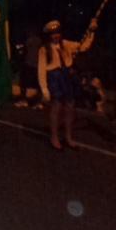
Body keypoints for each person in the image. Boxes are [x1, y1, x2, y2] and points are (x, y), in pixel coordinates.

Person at [38, 19, 97, 151]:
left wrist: (91, 32)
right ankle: (54, 137)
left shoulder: (66, 44)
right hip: (54, 78)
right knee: (56, 107)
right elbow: (41, 70)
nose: (56, 36)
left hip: (67, 77)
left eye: (58, 33)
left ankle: (68, 137)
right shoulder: (43, 50)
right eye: (53, 34)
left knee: (70, 106)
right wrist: (44, 89)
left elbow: (83, 46)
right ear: (48, 36)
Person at [15, 27, 43, 109]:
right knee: (38, 84)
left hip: (29, 64)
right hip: (37, 65)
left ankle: (24, 100)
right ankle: (37, 102)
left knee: (23, 83)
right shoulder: (39, 41)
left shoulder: (29, 41)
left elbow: (24, 52)